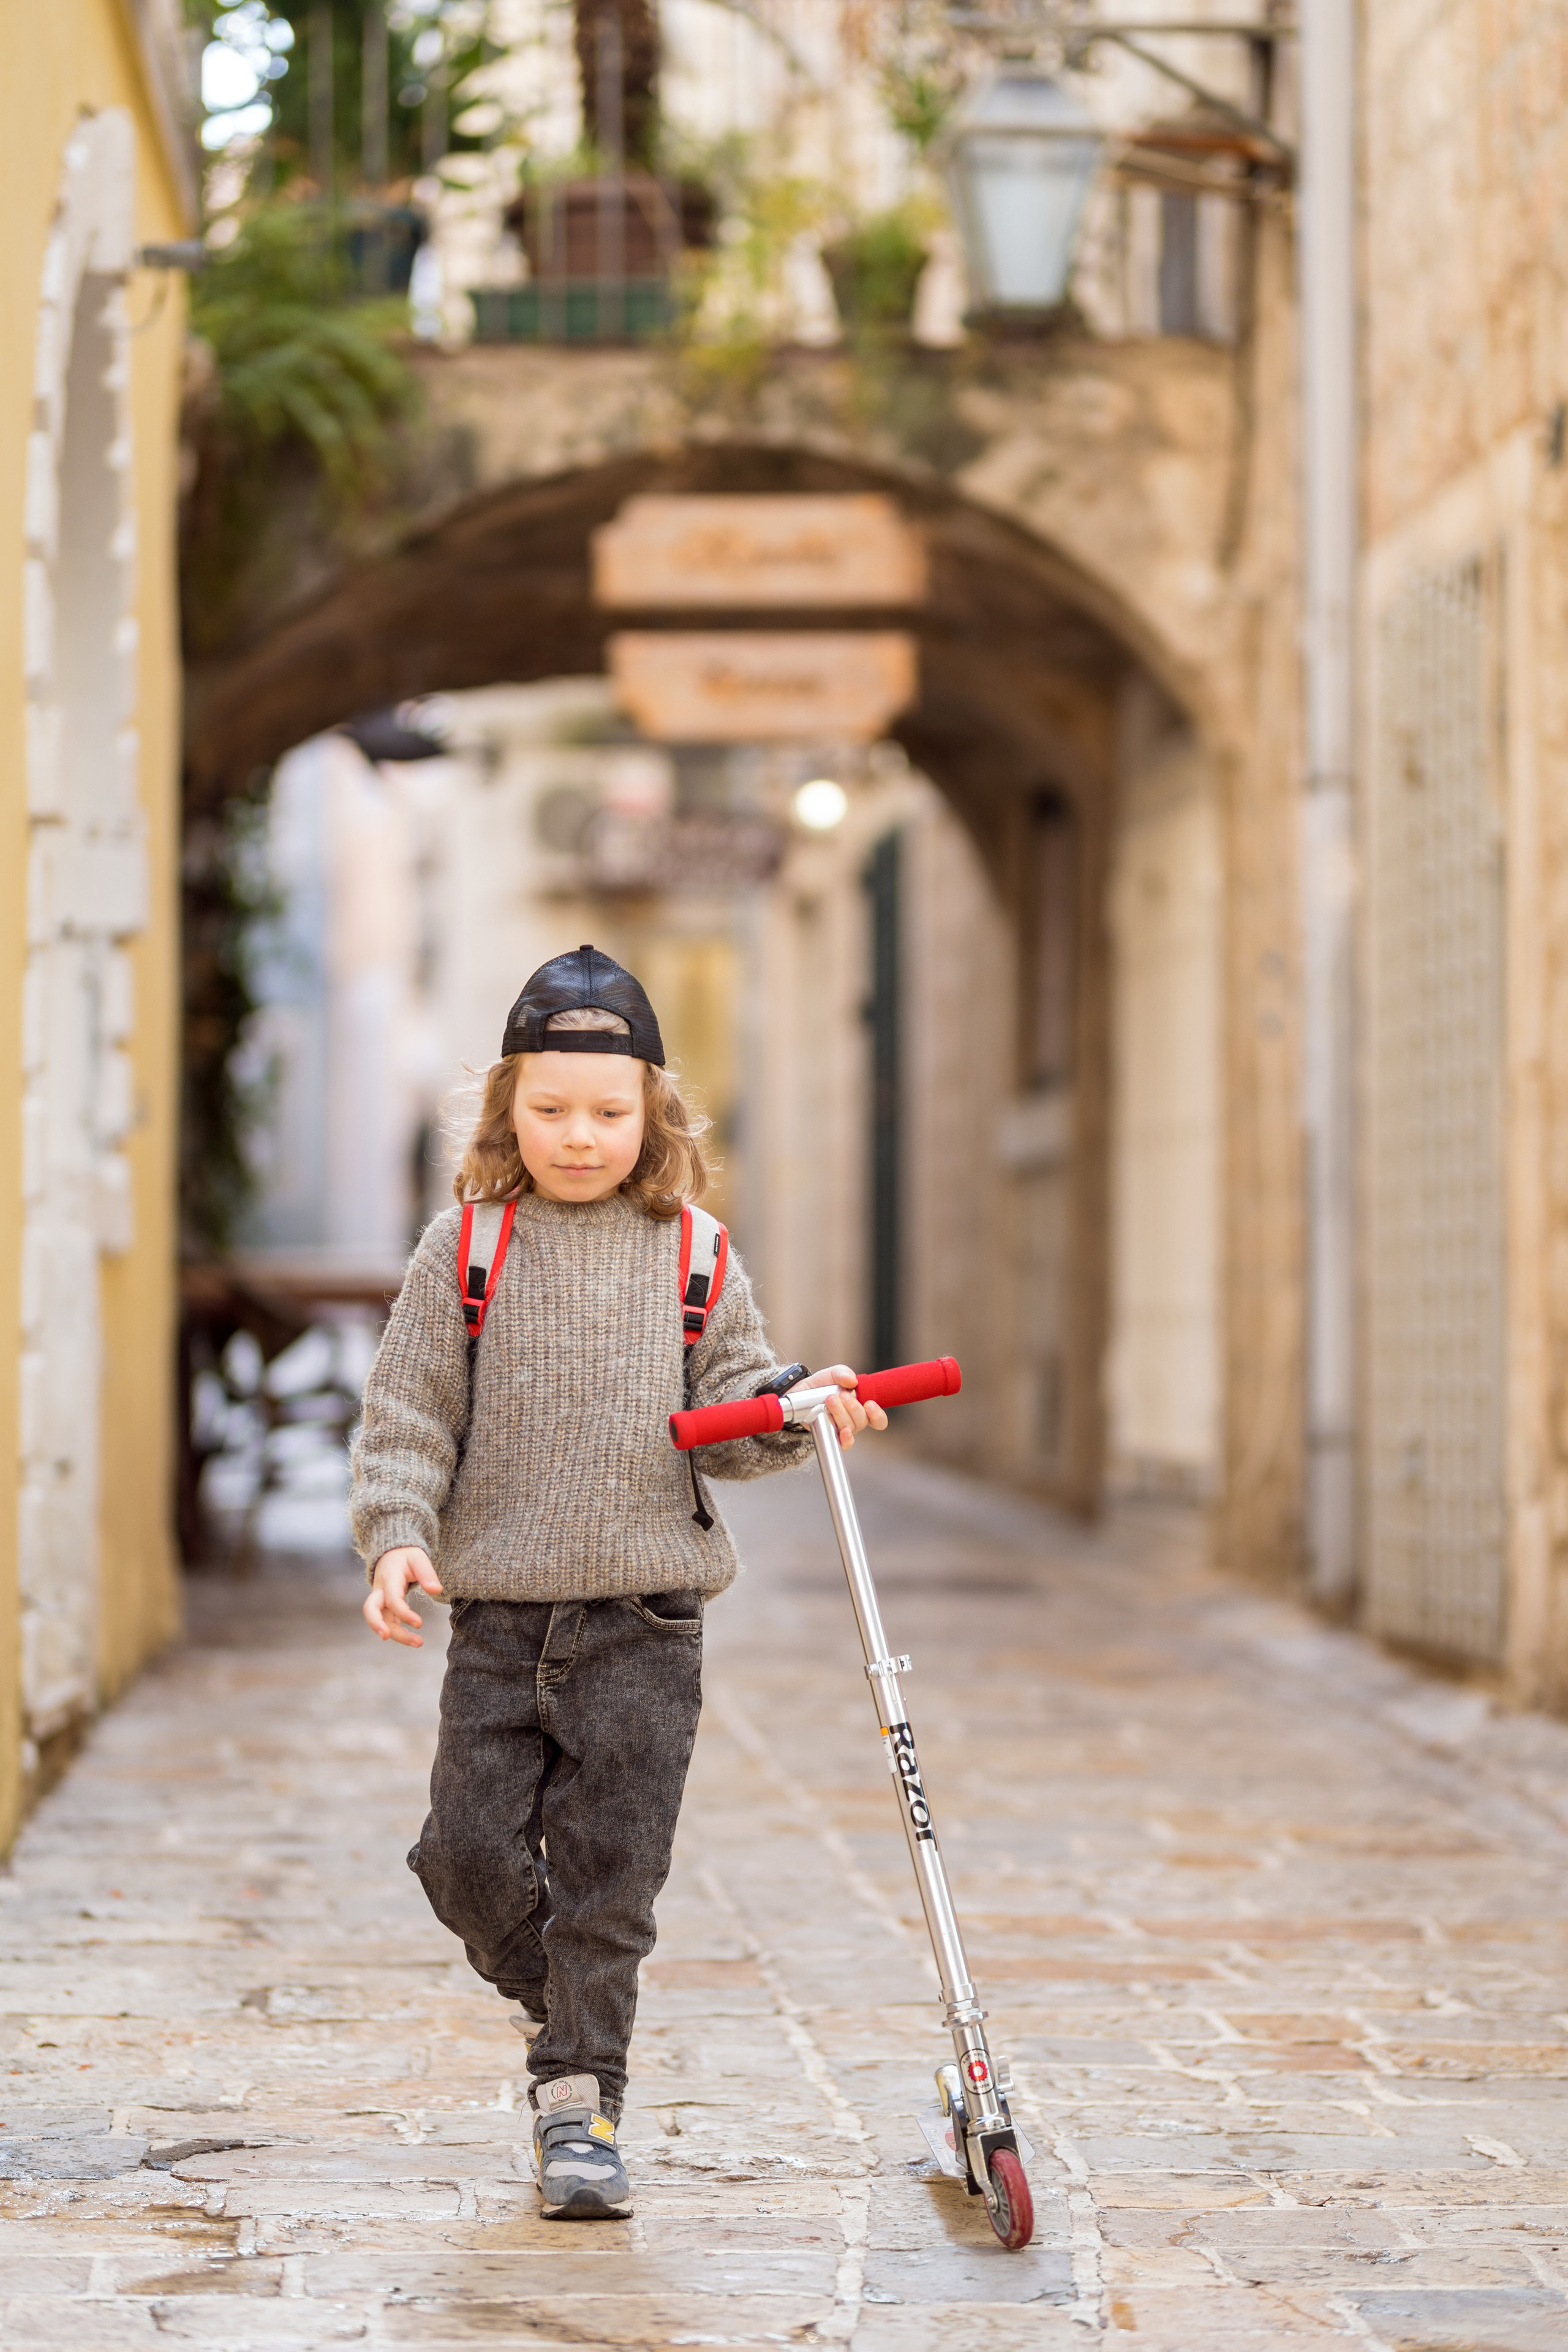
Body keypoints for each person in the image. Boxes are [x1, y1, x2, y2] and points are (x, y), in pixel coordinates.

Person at [350, 944, 886, 2222]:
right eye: (548, 1110)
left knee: (610, 1877)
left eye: (605, 1111)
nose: (577, 1136)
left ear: (651, 1114)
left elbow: (735, 1409)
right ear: (504, 1110)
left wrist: (795, 1409)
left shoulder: (695, 1254)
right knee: (467, 1859)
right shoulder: (465, 1248)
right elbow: (407, 1416)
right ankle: (571, 1992)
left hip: (646, 1624)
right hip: (497, 1623)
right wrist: (394, 1532)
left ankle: (579, 2096)